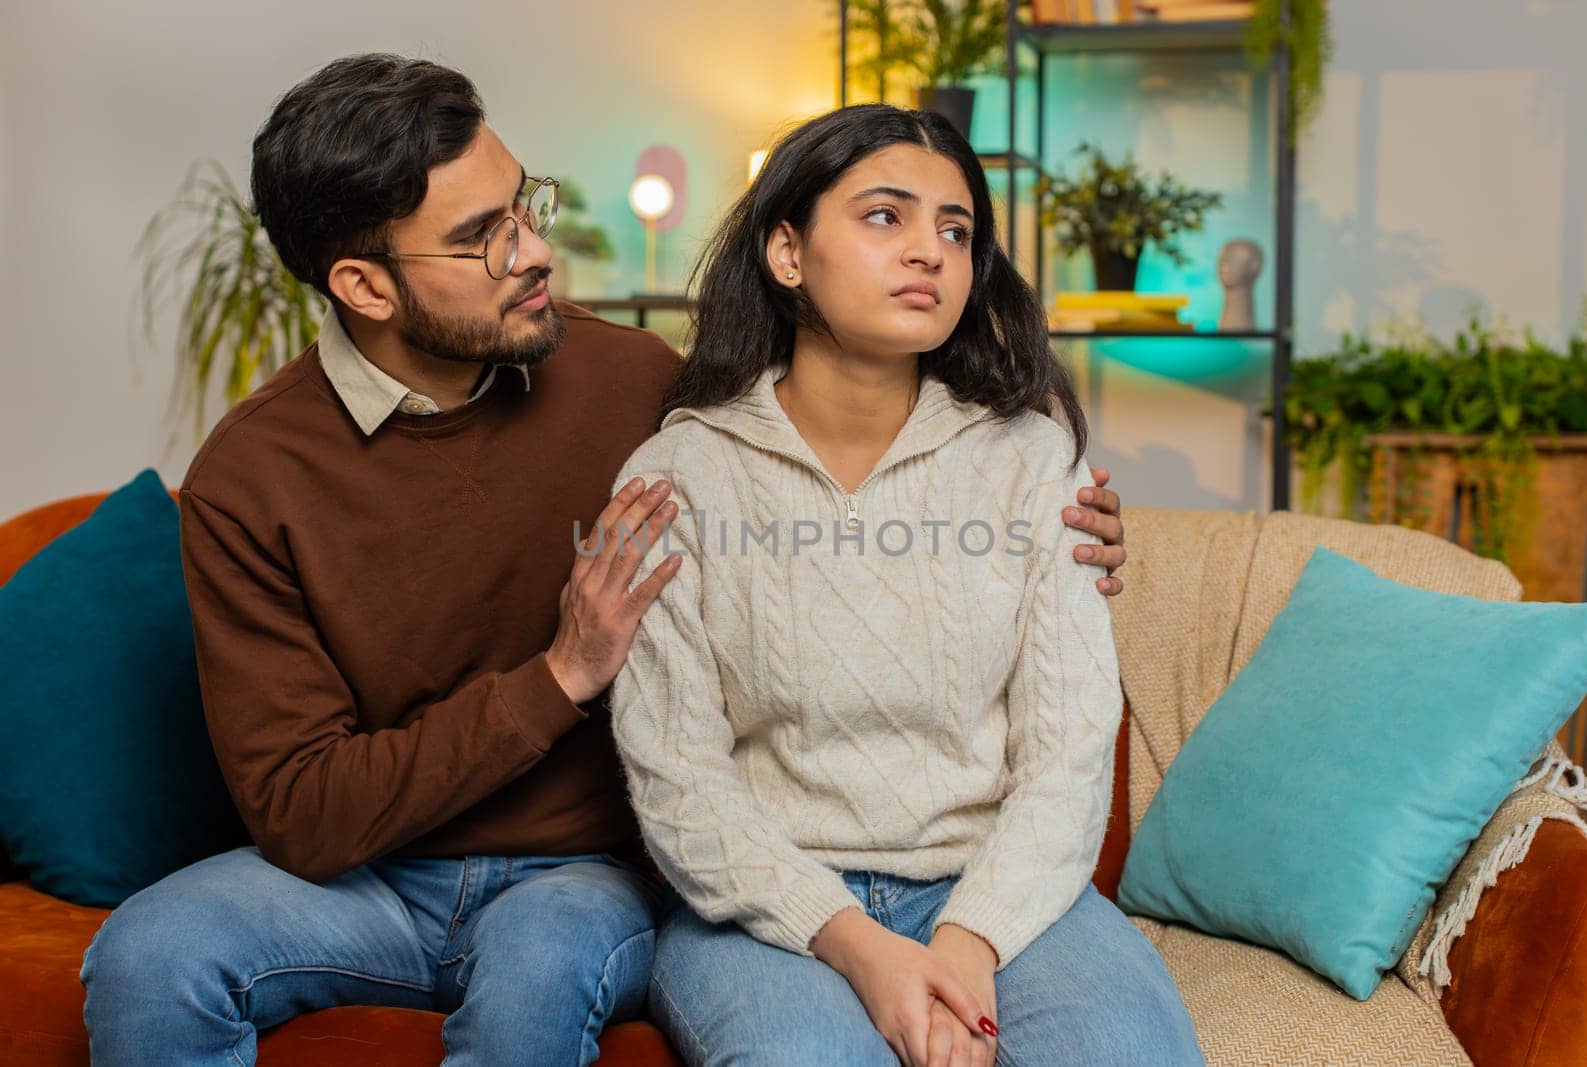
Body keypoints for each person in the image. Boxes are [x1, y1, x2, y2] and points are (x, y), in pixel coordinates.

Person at [76, 58, 1129, 1065]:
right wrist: (557, 676)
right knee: (148, 955)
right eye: (482, 238)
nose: (535, 252)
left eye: (522, 206)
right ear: (366, 284)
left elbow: (827, 446)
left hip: (581, 871)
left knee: (537, 974)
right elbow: (302, 813)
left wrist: (1059, 533)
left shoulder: (636, 385)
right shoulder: (249, 479)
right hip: (366, 878)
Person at [609, 104, 1197, 1067]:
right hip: (768, 907)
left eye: (955, 229)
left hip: (996, 887)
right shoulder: (683, 473)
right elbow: (679, 779)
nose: (929, 250)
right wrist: (858, 945)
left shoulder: (1030, 458)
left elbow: (1072, 748)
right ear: (787, 252)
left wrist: (970, 940)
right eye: (885, 216)